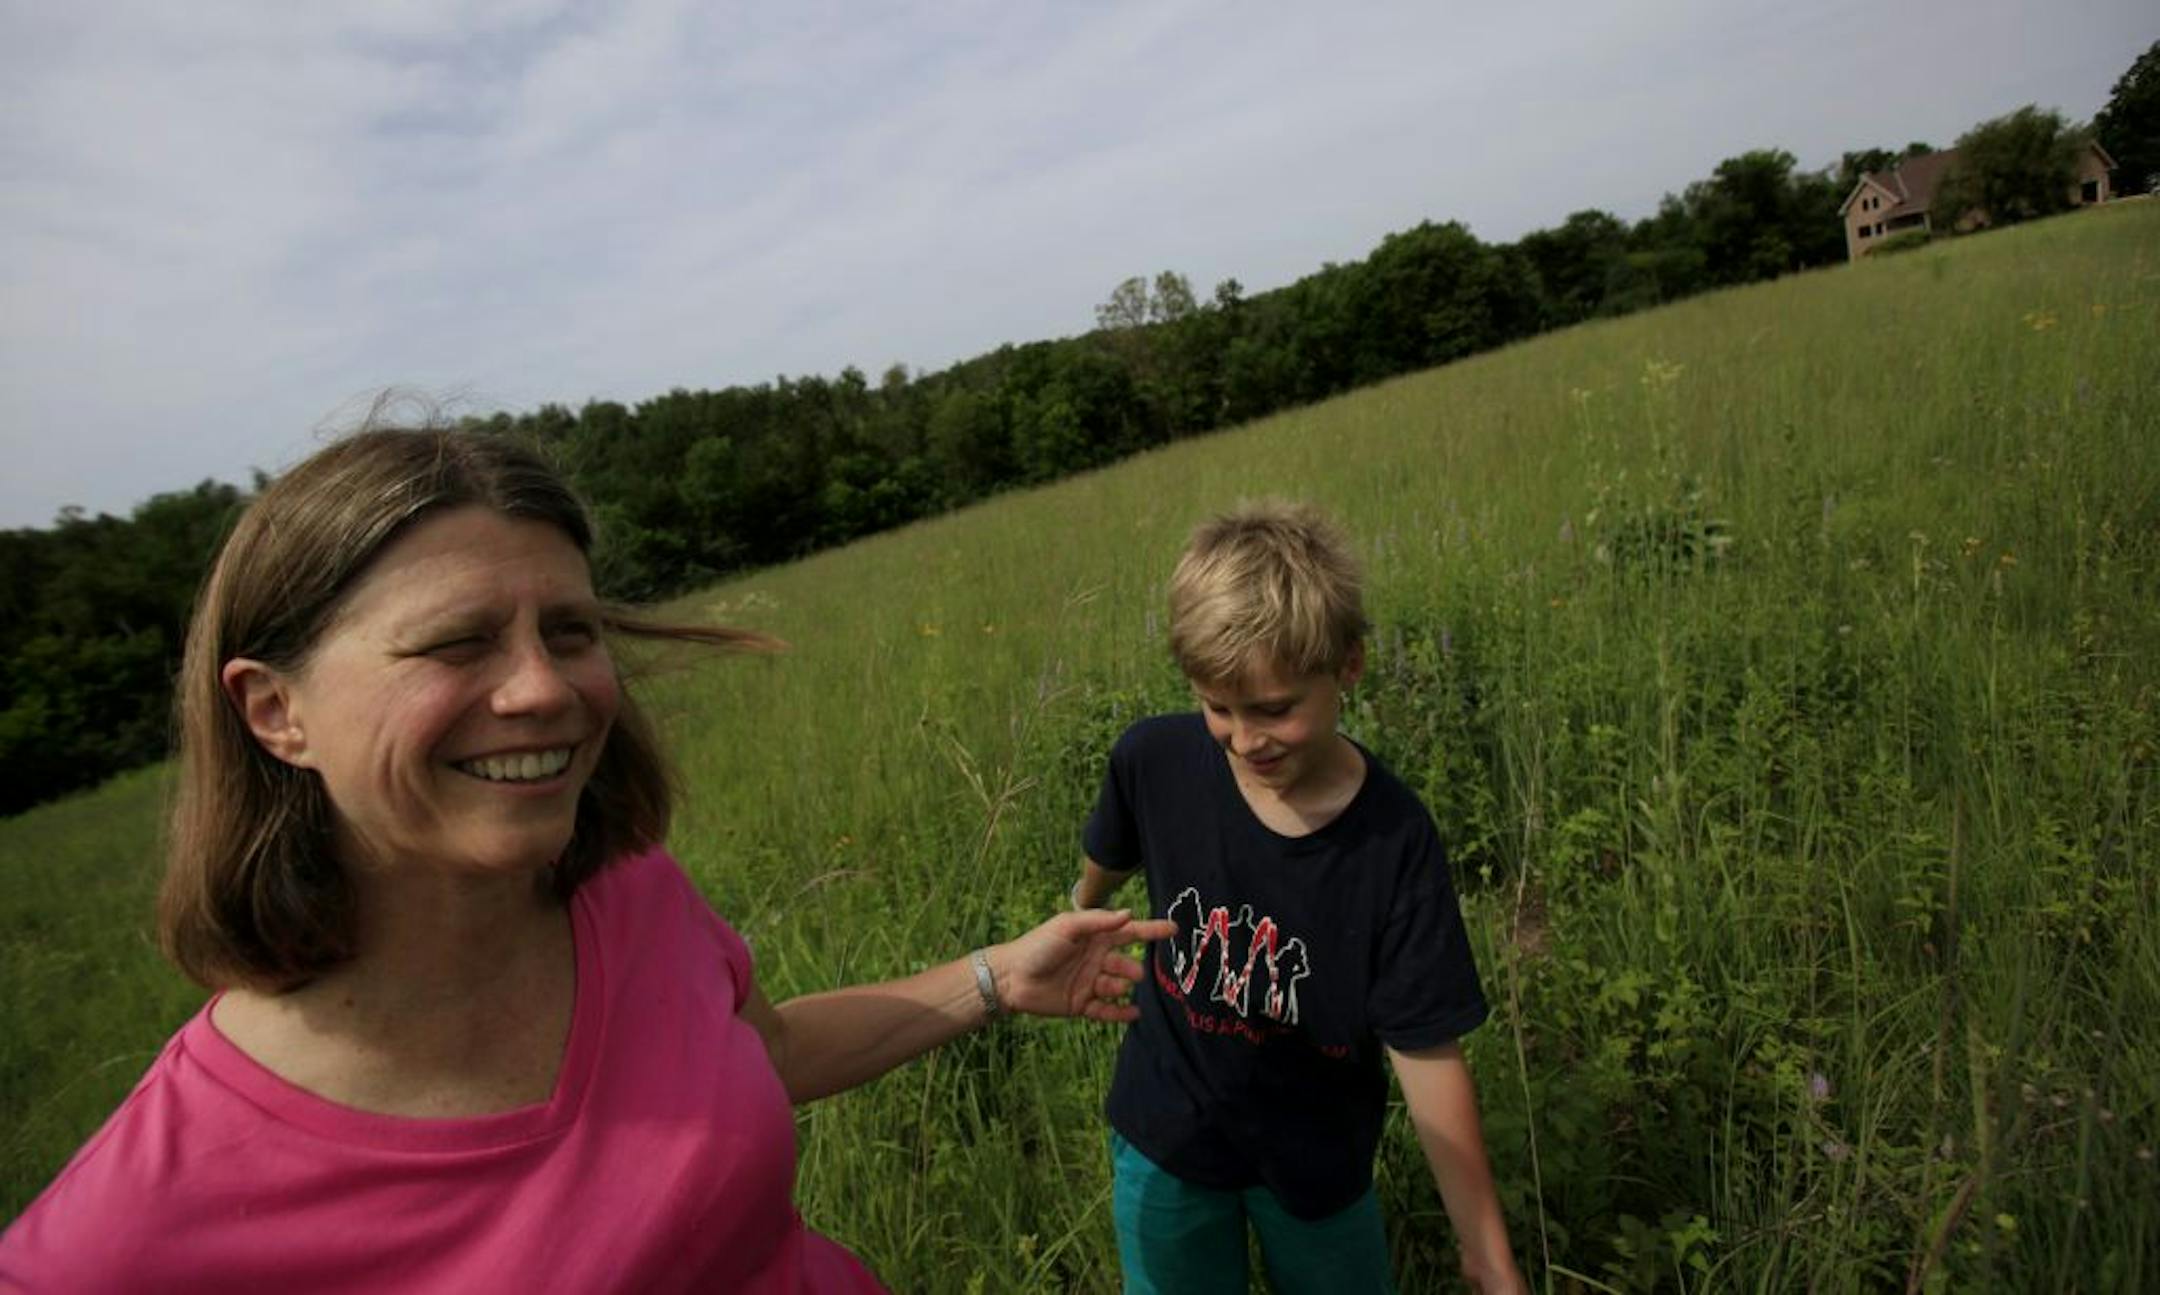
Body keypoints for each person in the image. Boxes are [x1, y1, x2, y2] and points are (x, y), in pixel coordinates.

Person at [0, 427, 1172, 1293]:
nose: (546, 687)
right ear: (274, 712)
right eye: (458, 641)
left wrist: (995, 976)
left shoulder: (628, 889)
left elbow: (764, 1052)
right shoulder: (127, 1237)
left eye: (569, 630)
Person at [1069, 501, 1525, 1294]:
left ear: (1348, 665)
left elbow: (1425, 1049)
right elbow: (1109, 847)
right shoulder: (1155, 758)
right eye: (1219, 707)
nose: (1247, 740)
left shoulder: (1394, 839)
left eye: (1275, 709)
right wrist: (1083, 907)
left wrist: (1485, 1248)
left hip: (1318, 1156)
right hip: (1168, 1132)